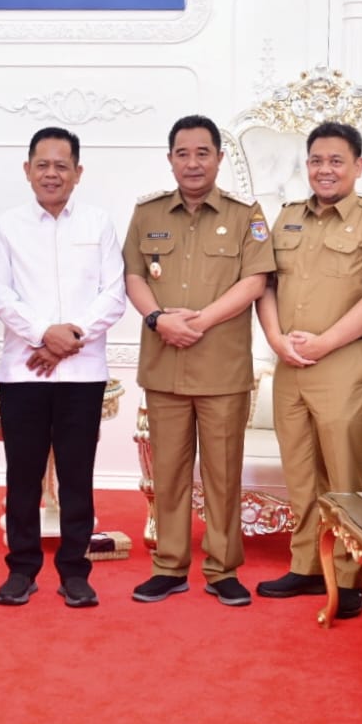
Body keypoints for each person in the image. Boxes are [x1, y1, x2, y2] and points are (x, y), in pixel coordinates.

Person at [122, 114, 275, 607]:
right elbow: (133, 275)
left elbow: (256, 281)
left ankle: (223, 568)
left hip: (221, 369)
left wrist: (201, 320)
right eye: (182, 154)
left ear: (218, 158)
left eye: (202, 153)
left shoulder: (245, 213)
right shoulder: (147, 215)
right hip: (164, 364)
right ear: (170, 159)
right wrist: (158, 320)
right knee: (167, 471)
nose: (192, 163)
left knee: (223, 473)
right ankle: (168, 566)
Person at [254, 122, 362, 618]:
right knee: (300, 471)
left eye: (336, 160)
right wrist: (276, 339)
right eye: (316, 160)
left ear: (358, 166)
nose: (325, 169)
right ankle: (307, 567)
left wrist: (324, 343)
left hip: (343, 362)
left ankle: (348, 574)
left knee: (344, 473)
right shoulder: (288, 217)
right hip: (290, 364)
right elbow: (266, 284)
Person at [0, 127, 126, 608]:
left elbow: (115, 293)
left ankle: (74, 570)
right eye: (42, 165)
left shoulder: (98, 223)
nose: (52, 173)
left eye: (61, 165)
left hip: (83, 372)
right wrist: (43, 334)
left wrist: (70, 338)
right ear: (27, 170)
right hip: (23, 369)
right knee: (21, 475)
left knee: (77, 474)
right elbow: (0, 294)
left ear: (78, 172)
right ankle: (22, 569)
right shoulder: (7, 225)